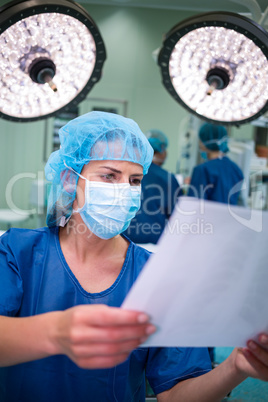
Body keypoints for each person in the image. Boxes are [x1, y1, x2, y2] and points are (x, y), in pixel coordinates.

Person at [0, 112, 267, 402]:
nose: (125, 191)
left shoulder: (155, 275)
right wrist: (55, 332)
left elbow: (176, 394)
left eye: (135, 180)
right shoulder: (18, 253)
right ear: (68, 179)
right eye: (109, 176)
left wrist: (234, 367)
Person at [124, 129, 181, 244]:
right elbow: (177, 215)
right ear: (161, 151)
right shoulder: (167, 178)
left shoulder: (127, 173)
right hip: (156, 240)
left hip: (125, 239)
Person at [188, 123, 244, 205]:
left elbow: (193, 205)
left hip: (207, 217)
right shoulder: (236, 170)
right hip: (229, 217)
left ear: (204, 143)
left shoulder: (202, 170)